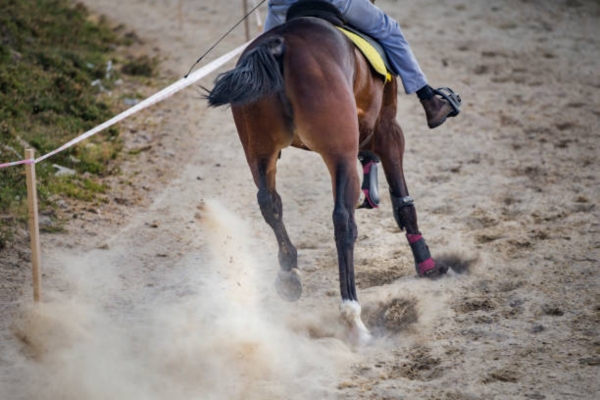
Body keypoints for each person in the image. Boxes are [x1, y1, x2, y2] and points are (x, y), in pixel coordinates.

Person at [264, 0, 461, 129]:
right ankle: (428, 100)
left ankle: (266, 116)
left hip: (282, 6)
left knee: (265, 52)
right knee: (390, 29)